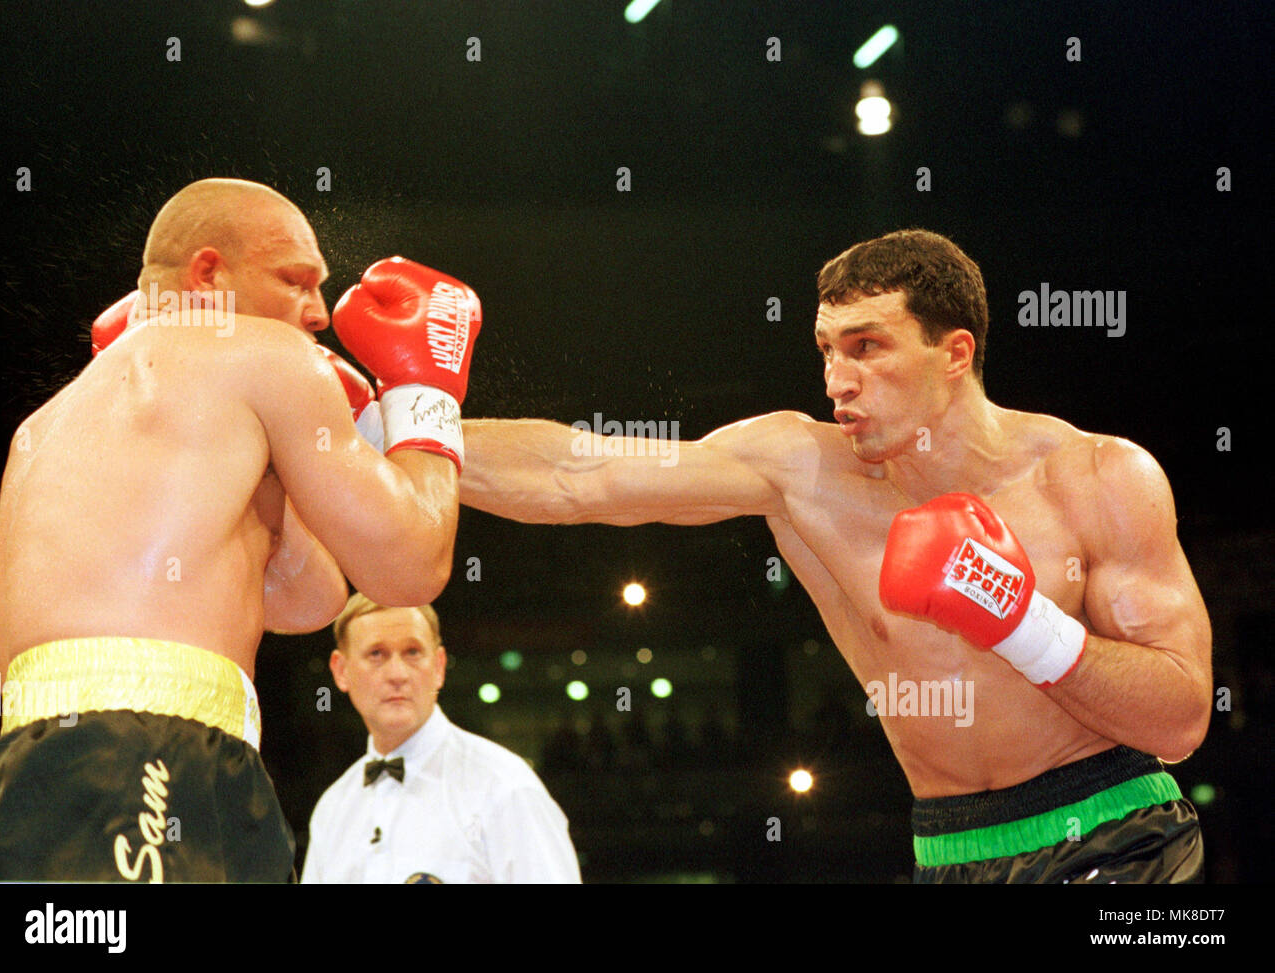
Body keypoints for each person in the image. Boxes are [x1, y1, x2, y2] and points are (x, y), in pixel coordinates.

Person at [458, 229, 1212, 883]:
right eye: (825, 348)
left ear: (955, 353)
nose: (836, 380)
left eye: (867, 347)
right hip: (950, 846)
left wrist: (1022, 622)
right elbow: (577, 473)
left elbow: (1180, 718)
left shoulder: (1098, 477)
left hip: (1120, 832)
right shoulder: (804, 471)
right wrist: (394, 432)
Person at [0, 177, 481, 882]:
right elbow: (411, 565)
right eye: (296, 282)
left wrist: (286, 475)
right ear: (209, 272)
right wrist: (424, 395)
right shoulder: (266, 356)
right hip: (144, 757)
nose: (316, 315)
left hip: (47, 769)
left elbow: (307, 600)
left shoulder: (47, 422)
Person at [302, 593, 581, 884]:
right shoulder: (333, 808)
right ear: (341, 671)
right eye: (376, 654)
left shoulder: (505, 788)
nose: (397, 674)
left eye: (412, 652)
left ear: (438, 666)